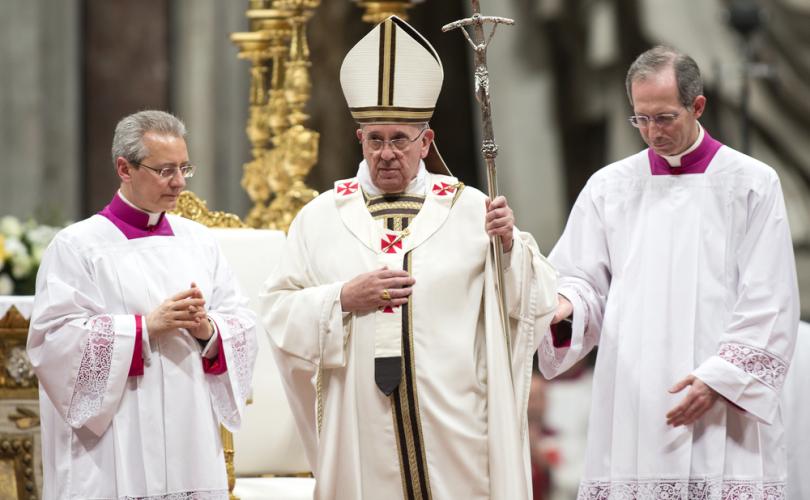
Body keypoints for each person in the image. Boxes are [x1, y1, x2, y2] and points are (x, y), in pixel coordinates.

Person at [260, 16, 557, 500]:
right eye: (374, 140)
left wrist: (508, 249)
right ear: (360, 140)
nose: (386, 154)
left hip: (456, 424)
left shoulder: (471, 211)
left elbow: (536, 300)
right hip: (361, 425)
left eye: (400, 139)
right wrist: (340, 299)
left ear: (427, 140)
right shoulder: (319, 218)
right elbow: (276, 312)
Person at [539, 45, 800, 498]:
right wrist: (565, 306)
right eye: (640, 119)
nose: (651, 132)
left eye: (663, 118)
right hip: (634, 399)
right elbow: (579, 278)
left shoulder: (752, 184)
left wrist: (720, 380)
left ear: (697, 106)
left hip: (722, 404)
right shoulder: (609, 188)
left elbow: (771, 298)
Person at [27, 110, 258, 500]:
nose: (180, 182)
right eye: (165, 170)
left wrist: (208, 330)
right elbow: (53, 341)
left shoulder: (200, 241)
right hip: (115, 439)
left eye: (185, 168)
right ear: (124, 168)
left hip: (190, 432)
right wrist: (144, 328)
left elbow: (243, 322)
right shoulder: (78, 246)